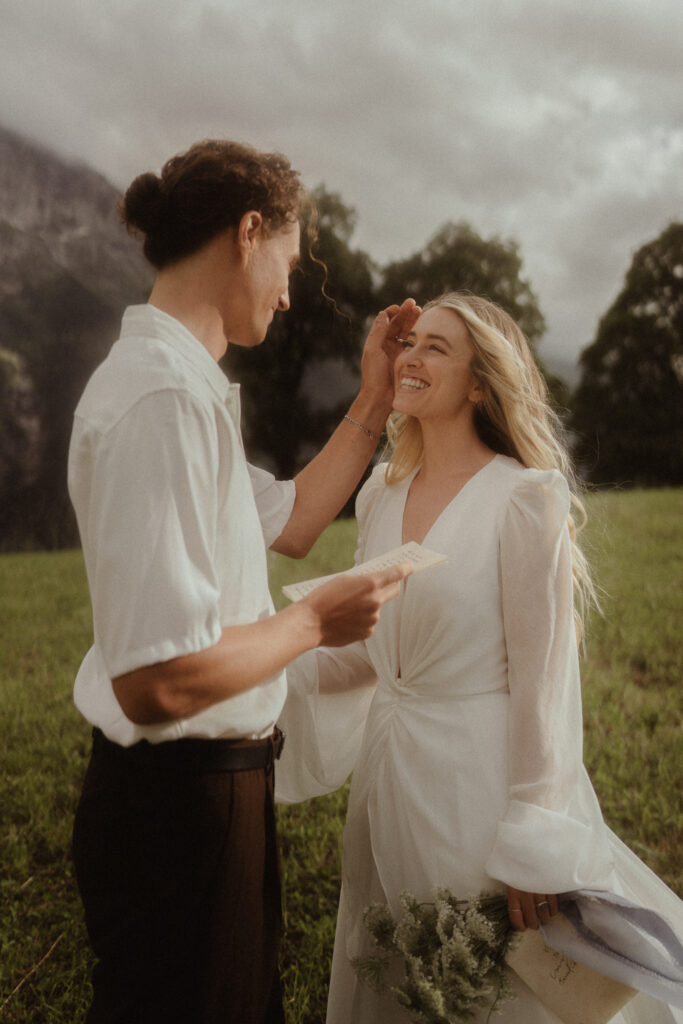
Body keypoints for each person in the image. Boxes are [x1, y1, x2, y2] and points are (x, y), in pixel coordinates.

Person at [67, 138, 418, 1024]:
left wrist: (374, 400)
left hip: (214, 794)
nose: (290, 290)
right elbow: (159, 680)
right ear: (248, 230)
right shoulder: (160, 401)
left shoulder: (186, 389)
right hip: (177, 811)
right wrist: (313, 625)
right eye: (289, 264)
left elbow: (295, 522)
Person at [275, 292, 683, 1023]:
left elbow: (542, 681)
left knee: (492, 991)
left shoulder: (523, 497)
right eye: (411, 341)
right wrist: (262, 659)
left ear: (478, 384)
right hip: (388, 783)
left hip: (478, 786)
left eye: (437, 347)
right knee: (397, 974)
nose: (412, 356)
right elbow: (374, 654)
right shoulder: (378, 494)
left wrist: (535, 840)